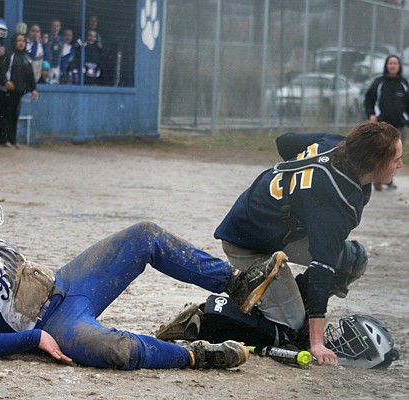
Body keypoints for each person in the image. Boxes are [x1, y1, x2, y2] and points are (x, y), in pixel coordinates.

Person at [0, 170, 288, 370]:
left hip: (65, 284)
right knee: (118, 350)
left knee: (143, 235)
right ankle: (197, 355)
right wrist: (33, 340)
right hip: (51, 326)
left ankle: (235, 284)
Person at [159, 122, 403, 366]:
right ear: (374, 163)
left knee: (352, 259)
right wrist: (316, 342)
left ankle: (286, 302)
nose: (400, 165)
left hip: (276, 230)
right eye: (396, 160)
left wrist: (296, 193)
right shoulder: (333, 202)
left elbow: (284, 143)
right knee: (291, 332)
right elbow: (321, 270)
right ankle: (205, 318)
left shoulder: (335, 144)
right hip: (247, 241)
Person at [364, 55, 409, 191]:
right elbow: (369, 100)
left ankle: (389, 179)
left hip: (399, 126)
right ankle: (378, 179)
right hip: (382, 126)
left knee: (395, 154)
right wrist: (371, 114)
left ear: (399, 66)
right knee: (380, 153)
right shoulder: (379, 82)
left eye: (395, 63)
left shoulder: (403, 83)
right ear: (386, 65)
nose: (393, 66)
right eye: (390, 63)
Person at [0, 33, 39, 147]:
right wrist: (5, 82)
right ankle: (3, 139)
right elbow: (1, 71)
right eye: (18, 41)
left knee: (15, 116)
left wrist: (33, 89)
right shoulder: (9, 55)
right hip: (6, 91)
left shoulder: (26, 58)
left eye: (23, 41)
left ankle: (13, 139)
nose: (21, 43)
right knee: (5, 115)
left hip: (19, 92)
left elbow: (30, 75)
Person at [46, 19, 64, 84]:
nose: (55, 28)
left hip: (58, 67)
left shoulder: (62, 40)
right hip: (48, 67)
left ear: (60, 27)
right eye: (53, 26)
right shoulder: (46, 38)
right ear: (50, 27)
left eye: (57, 26)